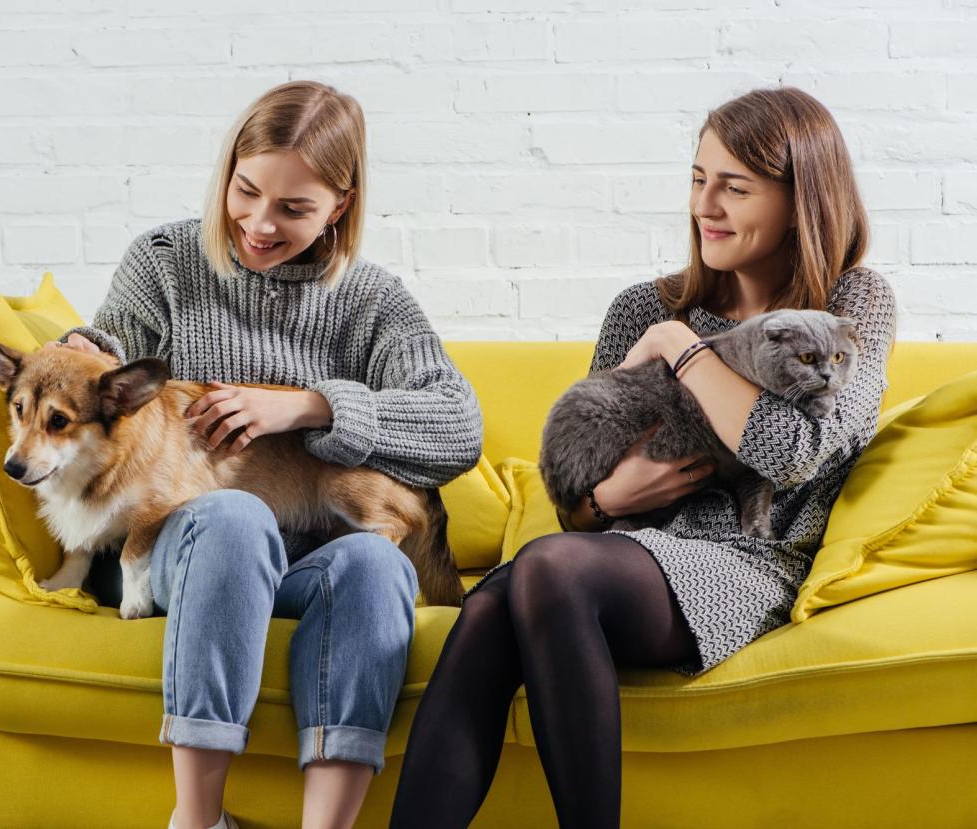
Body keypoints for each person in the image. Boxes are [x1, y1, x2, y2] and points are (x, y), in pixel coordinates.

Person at [389, 87, 897, 829]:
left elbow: (795, 452)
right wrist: (607, 502)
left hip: (751, 557)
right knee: (492, 606)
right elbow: (576, 489)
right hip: (622, 546)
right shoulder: (642, 306)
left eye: (735, 186)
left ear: (800, 200)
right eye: (698, 180)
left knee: (547, 566)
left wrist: (681, 349)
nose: (706, 205)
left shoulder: (851, 305)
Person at [54, 80, 482, 829]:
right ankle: (199, 819)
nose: (256, 223)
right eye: (245, 191)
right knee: (234, 516)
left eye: (293, 208)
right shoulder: (164, 263)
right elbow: (111, 349)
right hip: (185, 553)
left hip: (305, 570)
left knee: (380, 562)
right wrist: (85, 352)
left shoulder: (372, 300)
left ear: (340, 206)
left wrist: (312, 405)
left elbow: (459, 426)